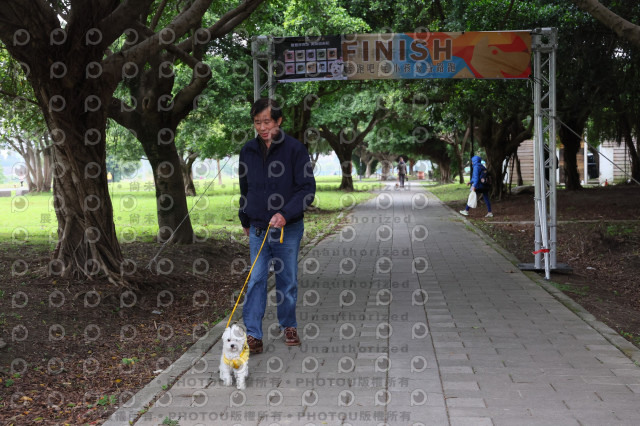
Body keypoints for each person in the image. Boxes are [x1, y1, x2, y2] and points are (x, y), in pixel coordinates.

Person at [238, 98, 316, 354]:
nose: (262, 127)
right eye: (257, 122)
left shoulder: (295, 149)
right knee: (256, 279)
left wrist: (285, 213)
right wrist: (245, 217)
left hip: (287, 229)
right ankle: (253, 334)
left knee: (287, 280)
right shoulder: (248, 151)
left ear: (279, 121)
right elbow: (245, 188)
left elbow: (307, 189)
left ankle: (289, 326)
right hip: (258, 228)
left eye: (267, 122)